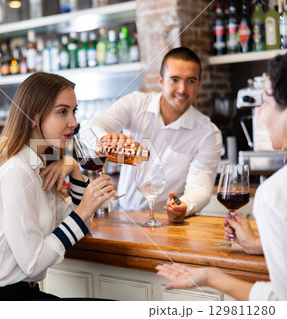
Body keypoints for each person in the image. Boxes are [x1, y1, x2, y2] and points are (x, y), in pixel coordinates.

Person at [0, 72, 115, 301]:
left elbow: (83, 224)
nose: (74, 122)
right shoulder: (17, 172)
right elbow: (32, 264)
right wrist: (83, 211)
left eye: (74, 111)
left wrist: (74, 170)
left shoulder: (39, 167)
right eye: (62, 112)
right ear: (33, 116)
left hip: (23, 295)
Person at [156, 54, 287, 301]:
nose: (259, 112)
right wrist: (260, 244)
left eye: (265, 102)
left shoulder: (274, 195)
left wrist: (210, 277)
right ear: (160, 80)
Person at [92, 47, 222, 222]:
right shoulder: (135, 103)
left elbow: (200, 188)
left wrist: (183, 205)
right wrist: (104, 140)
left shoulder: (208, 133)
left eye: (190, 81)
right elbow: (91, 127)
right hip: (122, 216)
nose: (182, 89)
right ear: (161, 81)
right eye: (174, 80)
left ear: (199, 83)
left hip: (165, 223)